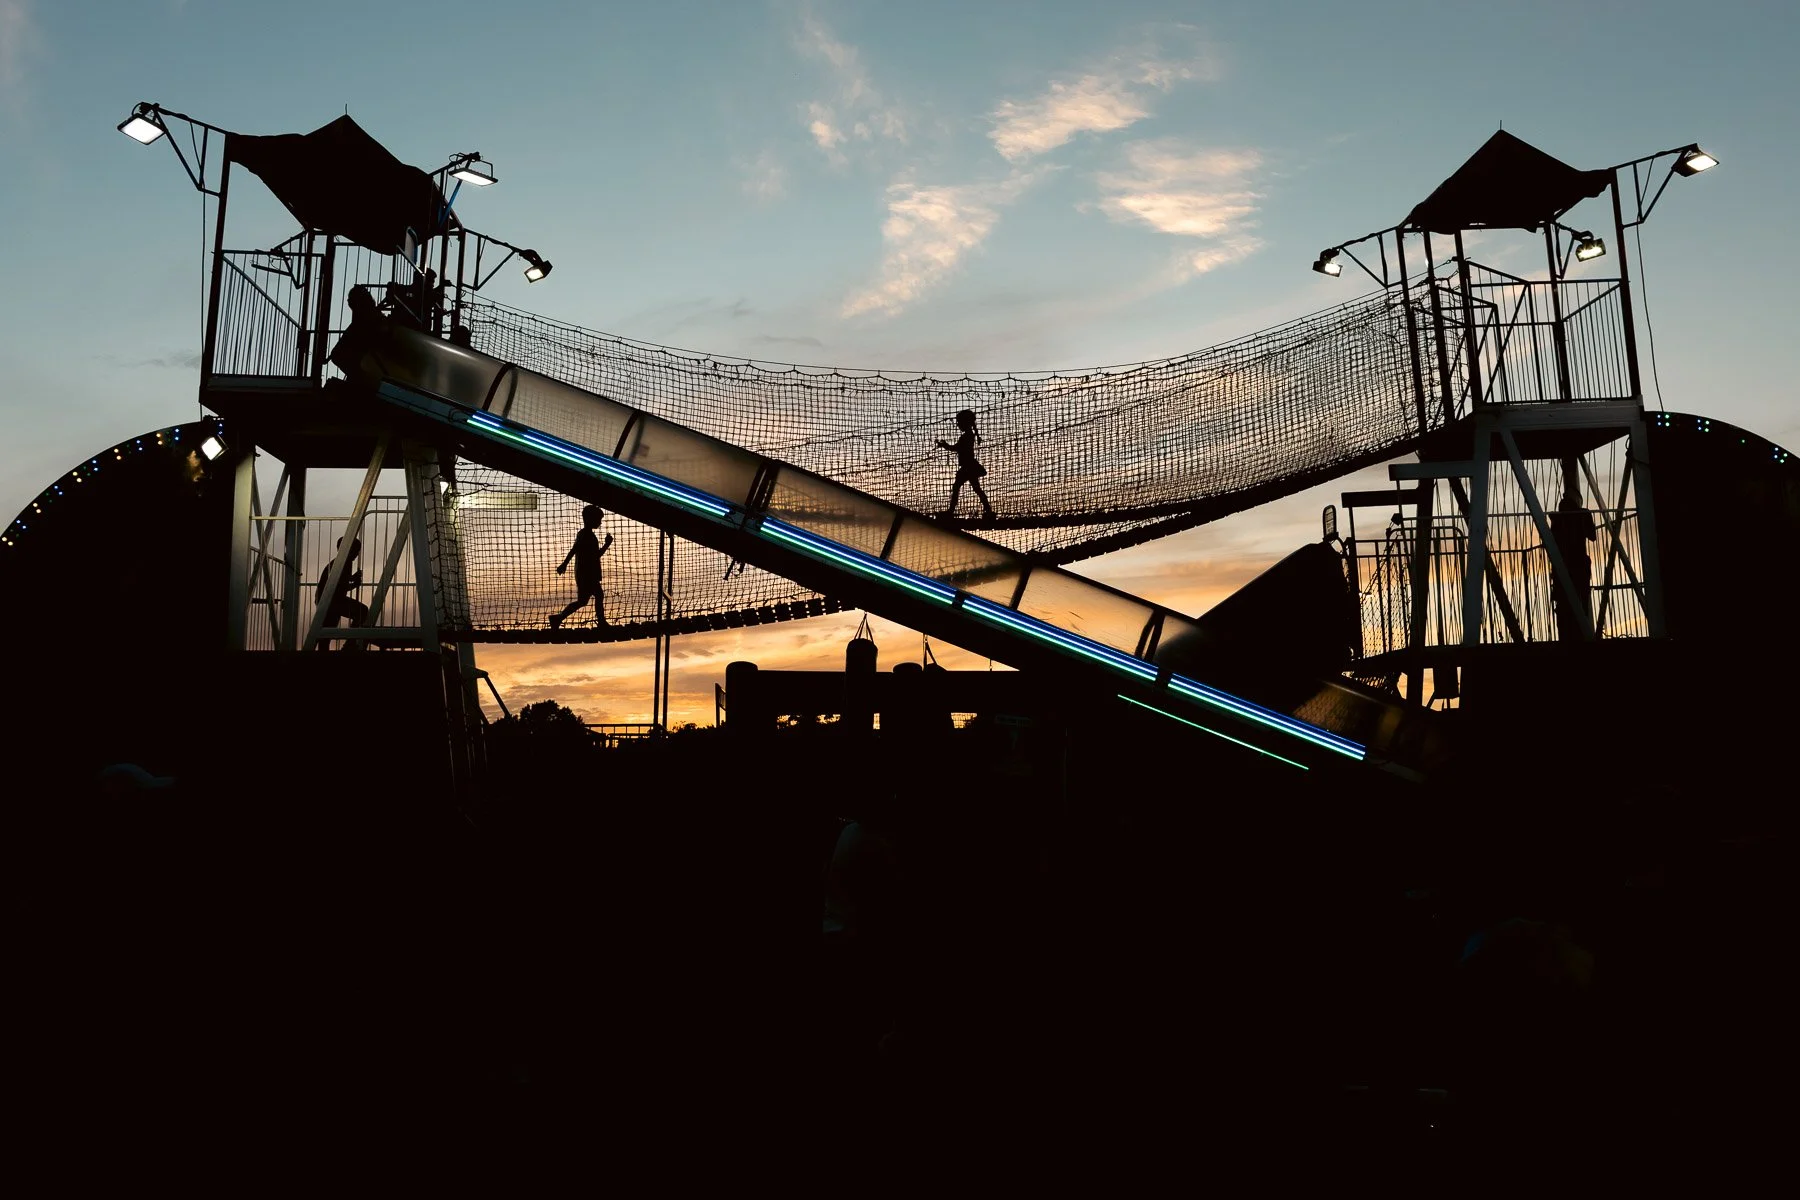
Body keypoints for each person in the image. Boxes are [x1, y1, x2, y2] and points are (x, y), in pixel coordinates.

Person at [550, 504, 614, 630]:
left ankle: (557, 618)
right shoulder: (585, 534)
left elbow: (595, 555)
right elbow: (575, 549)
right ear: (590, 519)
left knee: (583, 601)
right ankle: (601, 622)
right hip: (586, 573)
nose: (600, 523)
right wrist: (564, 564)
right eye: (598, 520)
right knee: (598, 595)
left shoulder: (588, 535)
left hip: (587, 573)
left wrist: (606, 544)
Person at [1548, 491, 1596, 642]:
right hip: (1579, 563)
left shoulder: (1557, 518)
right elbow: (1592, 536)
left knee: (1563, 601)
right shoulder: (1582, 515)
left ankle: (1568, 633)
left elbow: (1552, 540)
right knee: (1582, 597)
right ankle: (1583, 629)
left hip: (1562, 565)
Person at [935, 408, 994, 520]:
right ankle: (988, 510)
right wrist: (946, 445)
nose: (958, 425)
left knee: (958, 487)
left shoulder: (966, 436)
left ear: (965, 423)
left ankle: (950, 512)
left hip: (968, 467)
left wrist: (945, 445)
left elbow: (956, 448)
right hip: (970, 466)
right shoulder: (969, 435)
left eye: (959, 422)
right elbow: (957, 448)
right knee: (975, 489)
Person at [315, 537, 369, 649]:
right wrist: (354, 584)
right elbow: (340, 586)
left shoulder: (340, 562)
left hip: (329, 601)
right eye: (356, 551)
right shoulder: (345, 563)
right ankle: (350, 644)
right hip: (331, 602)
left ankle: (349, 644)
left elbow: (341, 581)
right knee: (362, 611)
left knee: (326, 632)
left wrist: (353, 578)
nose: (357, 554)